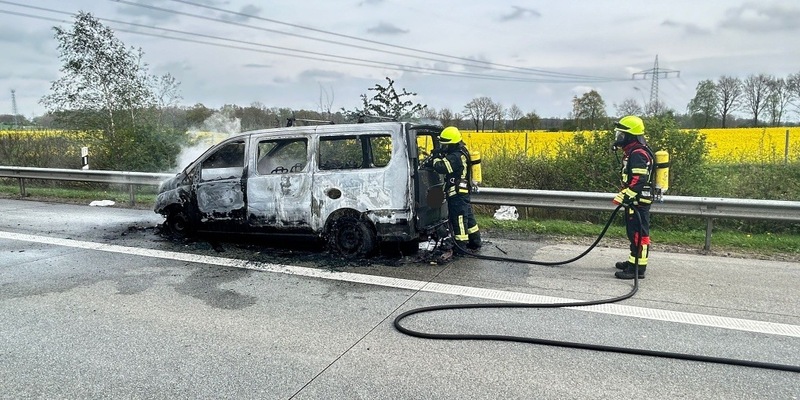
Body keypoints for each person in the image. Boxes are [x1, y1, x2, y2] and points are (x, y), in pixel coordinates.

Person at [611, 115, 654, 279]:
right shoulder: (635, 151)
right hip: (635, 201)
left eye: (621, 135)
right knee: (633, 233)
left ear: (630, 136)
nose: (618, 138)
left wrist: (624, 196)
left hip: (638, 202)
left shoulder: (638, 154)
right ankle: (633, 261)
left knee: (639, 235)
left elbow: (638, 180)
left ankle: (638, 269)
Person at [429, 126, 482, 257]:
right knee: (468, 217)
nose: (443, 147)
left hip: (456, 193)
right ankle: (475, 241)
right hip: (463, 191)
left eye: (445, 144)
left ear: (452, 144)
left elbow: (440, 167)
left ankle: (461, 246)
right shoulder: (463, 151)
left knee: (458, 219)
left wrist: (435, 157)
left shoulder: (455, 157)